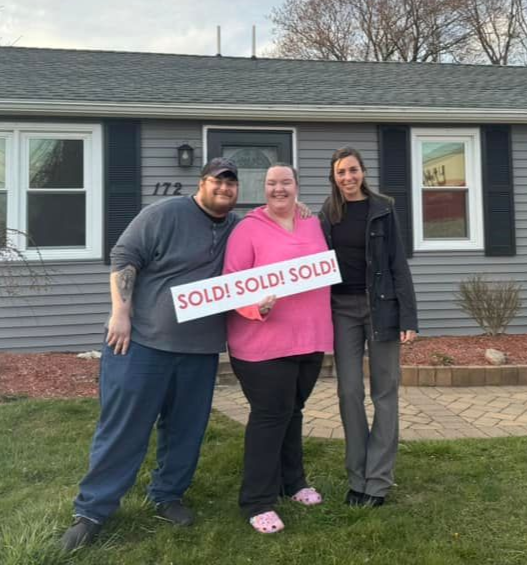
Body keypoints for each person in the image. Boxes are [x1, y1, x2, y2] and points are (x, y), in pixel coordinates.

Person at [61, 157, 241, 551]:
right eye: (218, 181)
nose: (224, 189)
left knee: (186, 431)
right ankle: (92, 510)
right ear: (202, 182)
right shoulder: (164, 214)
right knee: (123, 429)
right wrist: (120, 313)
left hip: (201, 350)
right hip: (141, 343)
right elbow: (125, 257)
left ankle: (168, 495)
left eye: (231, 184)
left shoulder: (239, 229)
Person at [223, 163, 333, 534]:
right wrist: (257, 307)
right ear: (264, 188)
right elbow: (231, 284)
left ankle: (293, 482)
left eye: (286, 182)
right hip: (261, 344)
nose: (278, 189)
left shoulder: (312, 222)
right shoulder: (247, 229)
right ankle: (257, 500)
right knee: (271, 415)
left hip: (309, 339)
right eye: (272, 184)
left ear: (297, 187)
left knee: (294, 411)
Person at [319, 146, 418, 508]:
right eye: (341, 172)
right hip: (341, 310)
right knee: (348, 392)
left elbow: (397, 264)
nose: (348, 177)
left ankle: (377, 482)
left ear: (363, 172)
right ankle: (357, 477)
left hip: (381, 308)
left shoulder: (383, 208)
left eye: (353, 170)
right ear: (333, 176)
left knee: (384, 393)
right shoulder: (326, 214)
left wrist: (408, 317)